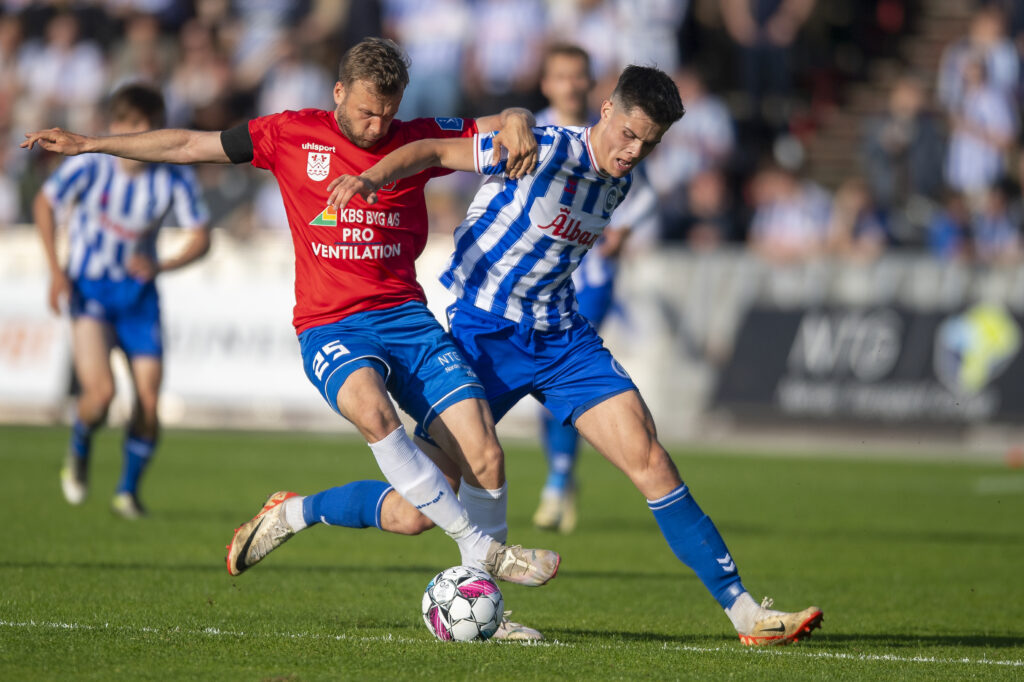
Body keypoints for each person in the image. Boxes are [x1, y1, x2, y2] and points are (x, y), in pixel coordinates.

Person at [22, 39, 561, 623]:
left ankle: (295, 512)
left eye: (387, 111)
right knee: (373, 412)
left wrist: (519, 118)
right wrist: (91, 144)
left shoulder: (418, 137)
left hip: (407, 319)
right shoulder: (288, 133)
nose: (377, 125)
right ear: (338, 94)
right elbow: (187, 143)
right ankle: (486, 560)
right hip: (332, 325)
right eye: (364, 111)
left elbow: (501, 123)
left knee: (465, 470)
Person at [326, 64, 824, 646]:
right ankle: (298, 511)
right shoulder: (541, 150)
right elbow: (433, 149)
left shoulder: (620, 184)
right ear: (605, 110)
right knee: (415, 511)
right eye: (629, 135)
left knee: (651, 459)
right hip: (483, 333)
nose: (634, 152)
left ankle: (746, 615)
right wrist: (369, 179)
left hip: (562, 339)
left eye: (650, 143)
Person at [32, 83, 212, 519]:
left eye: (148, 128)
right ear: (116, 126)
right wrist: (56, 271)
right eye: (132, 126)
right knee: (101, 394)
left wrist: (161, 266)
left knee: (149, 402)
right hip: (90, 289)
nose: (140, 137)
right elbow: (44, 203)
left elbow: (202, 237)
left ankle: (126, 492)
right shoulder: (90, 168)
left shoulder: (173, 175)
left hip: (138, 298)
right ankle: (79, 443)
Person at [529, 44, 651, 533]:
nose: (571, 85)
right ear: (547, 84)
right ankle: (560, 476)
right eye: (561, 76)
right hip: (537, 284)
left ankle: (557, 481)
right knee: (543, 389)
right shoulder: (532, 130)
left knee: (564, 385)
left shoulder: (617, 137)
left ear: (590, 84)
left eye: (579, 76)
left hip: (591, 279)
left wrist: (623, 228)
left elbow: (647, 195)